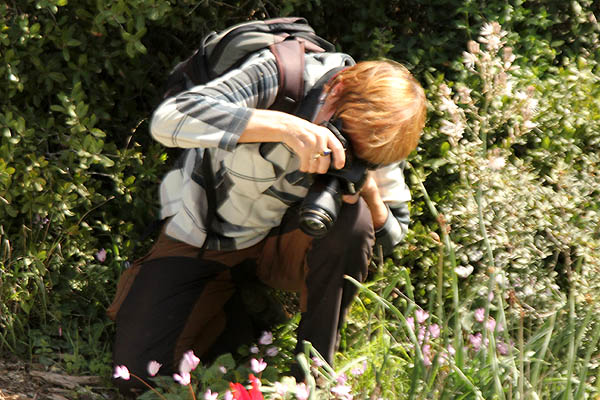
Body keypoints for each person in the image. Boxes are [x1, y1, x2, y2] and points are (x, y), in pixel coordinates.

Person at [108, 46, 426, 393]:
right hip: (205, 236)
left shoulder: (377, 136)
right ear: (335, 90)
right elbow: (169, 119)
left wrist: (367, 190)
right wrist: (285, 127)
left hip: (285, 243)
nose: (345, 154)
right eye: (344, 139)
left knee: (356, 224)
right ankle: (241, 312)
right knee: (137, 377)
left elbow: (391, 236)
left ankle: (313, 372)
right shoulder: (280, 76)